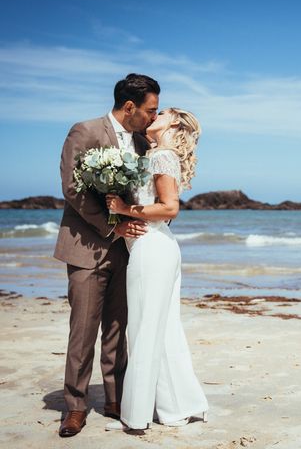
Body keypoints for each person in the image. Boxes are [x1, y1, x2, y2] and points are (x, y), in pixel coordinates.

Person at [54, 74, 159, 437]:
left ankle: (116, 398)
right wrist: (111, 227)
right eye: (150, 110)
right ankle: (75, 406)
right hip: (87, 246)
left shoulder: (145, 143)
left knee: (118, 327)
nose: (152, 118)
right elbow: (73, 189)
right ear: (129, 106)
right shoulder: (85, 131)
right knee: (83, 329)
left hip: (129, 250)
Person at [104, 107, 209, 431]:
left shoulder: (162, 155)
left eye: (162, 112)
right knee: (163, 330)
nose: (155, 115)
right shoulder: (155, 154)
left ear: (174, 122)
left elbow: (169, 208)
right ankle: (180, 405)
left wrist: (123, 208)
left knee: (145, 330)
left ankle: (136, 417)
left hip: (152, 249)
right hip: (157, 247)